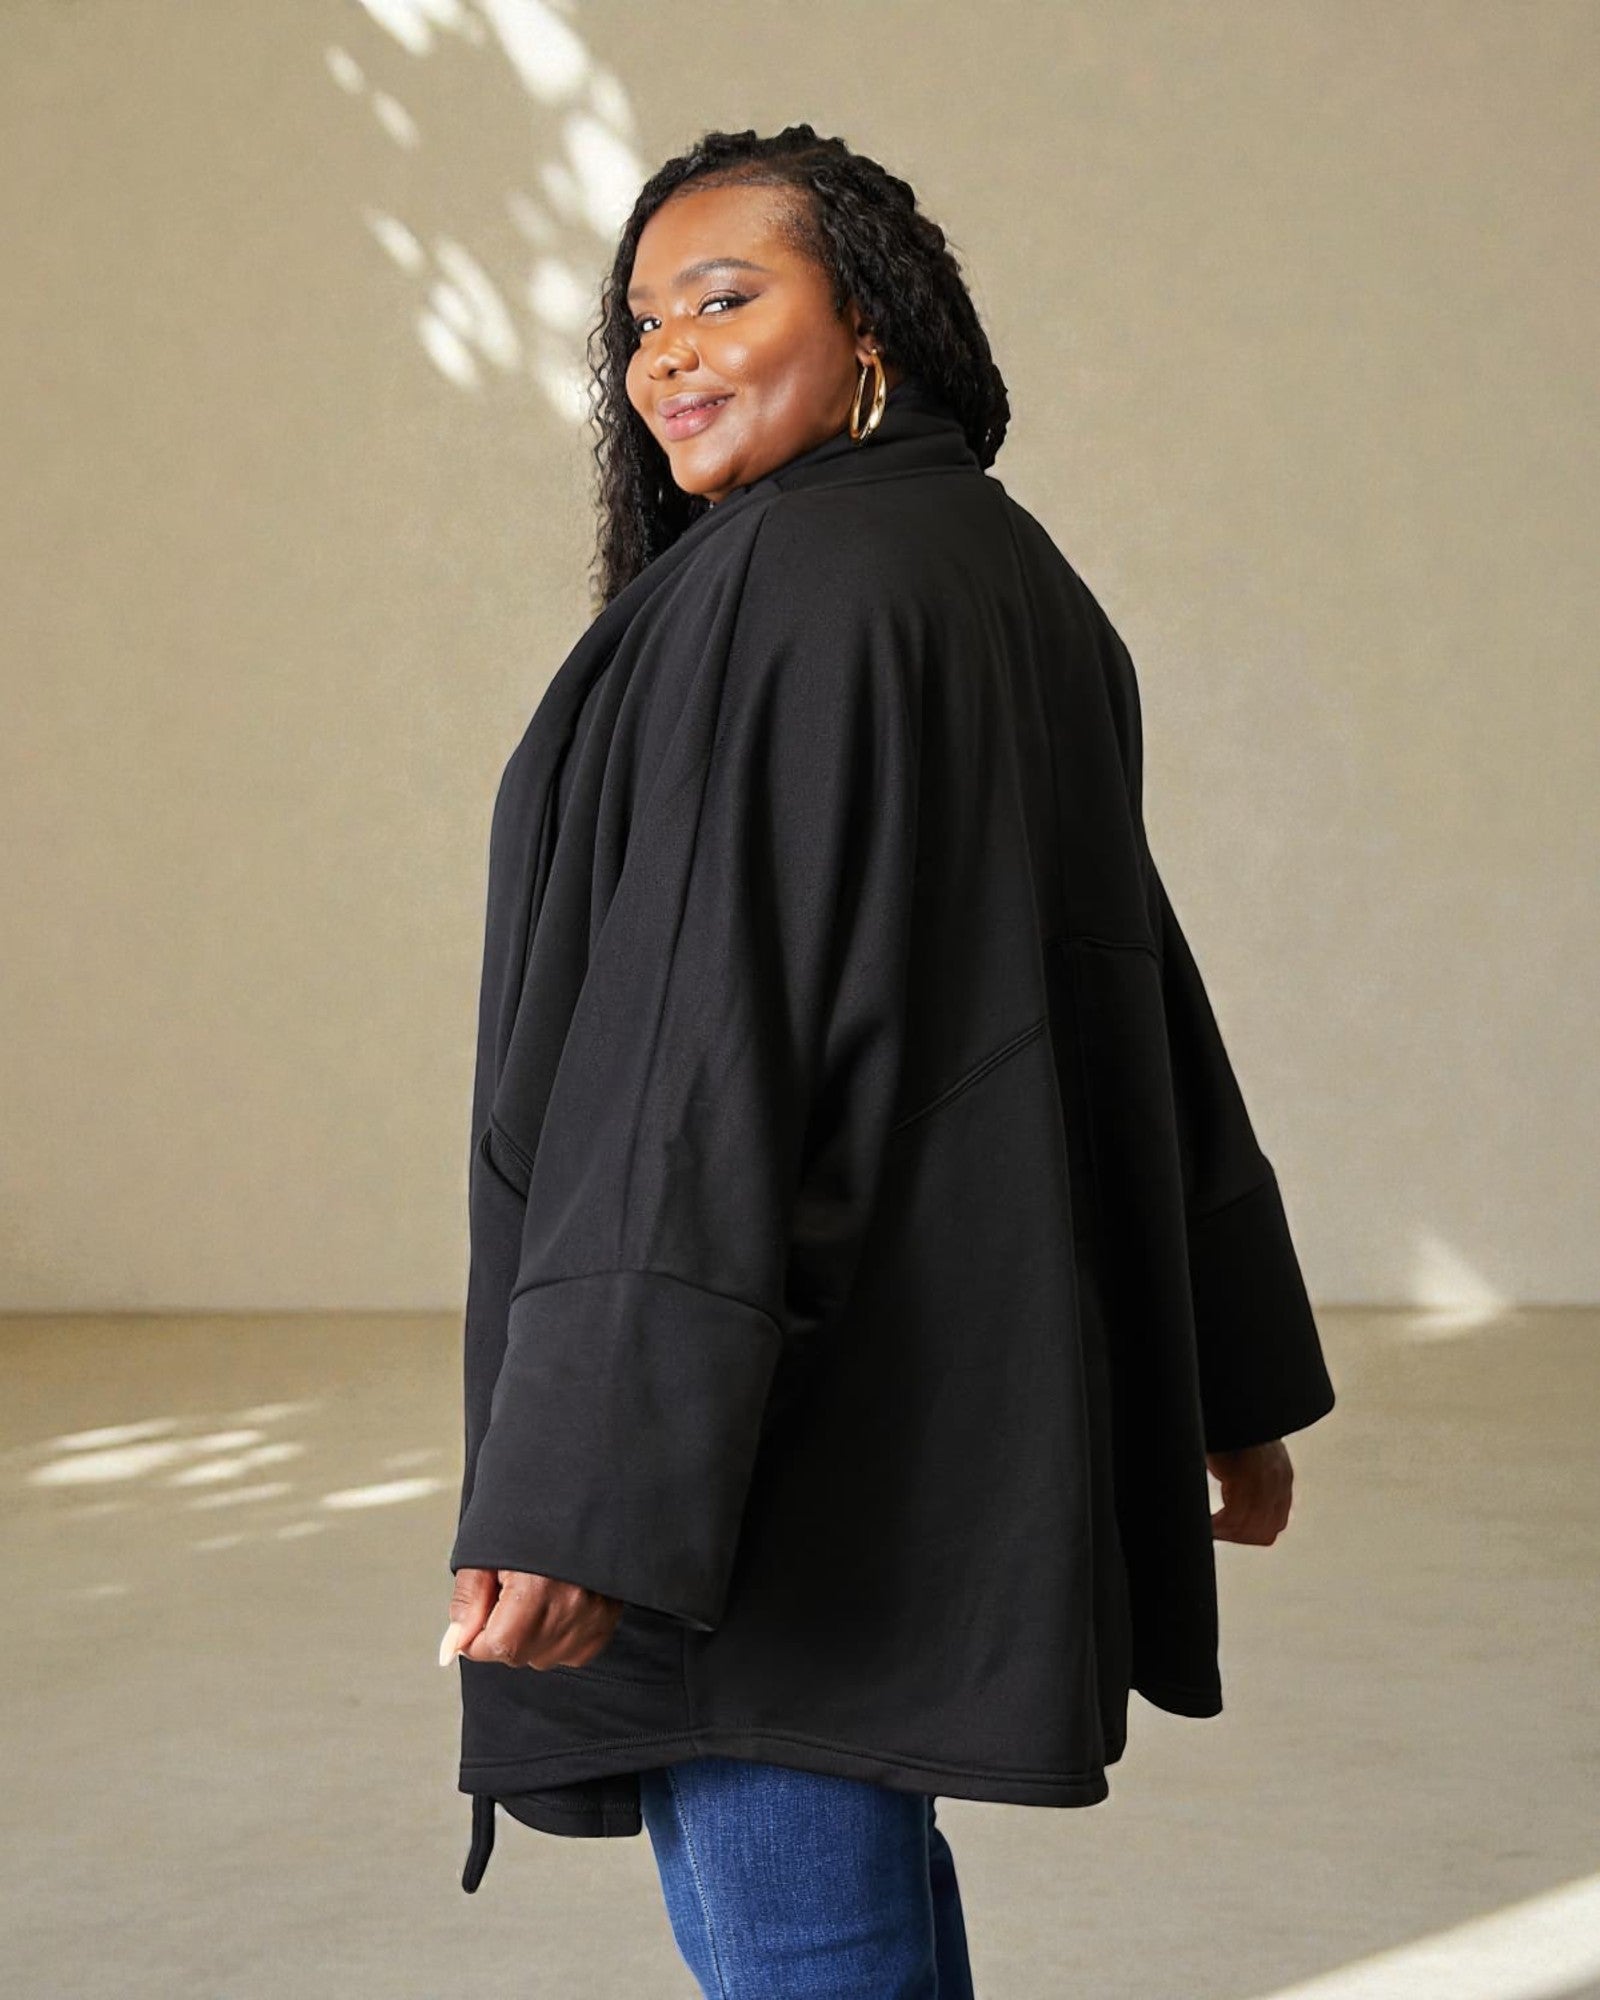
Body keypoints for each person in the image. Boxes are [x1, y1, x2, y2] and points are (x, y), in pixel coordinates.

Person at [438, 123, 1336, 1999]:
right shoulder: (997, 571)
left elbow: (690, 1040)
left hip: (763, 1419)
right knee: (862, 1893)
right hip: (923, 1366)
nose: (663, 352)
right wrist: (1212, 1361)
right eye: (640, 321)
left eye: (725, 294)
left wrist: (588, 1474)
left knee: (801, 1922)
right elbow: (1124, 991)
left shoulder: (792, 588)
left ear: (877, 330)